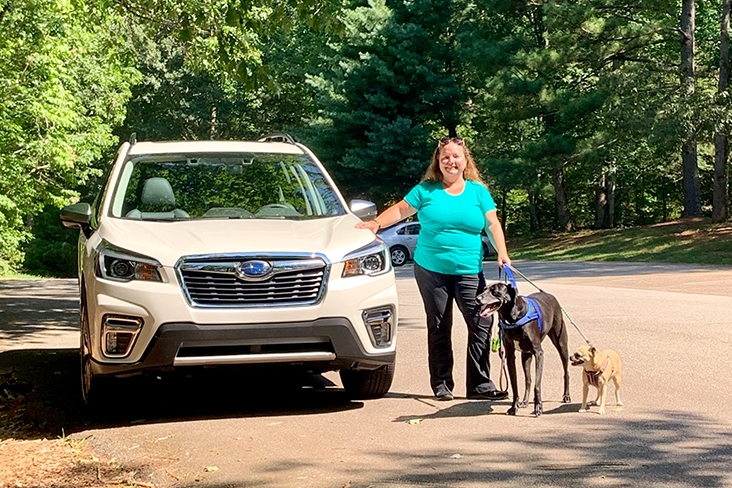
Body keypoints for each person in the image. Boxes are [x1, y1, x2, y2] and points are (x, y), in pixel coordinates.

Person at [356, 136, 511, 401]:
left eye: (456, 156)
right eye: (445, 157)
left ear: (465, 161)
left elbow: (493, 224)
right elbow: (402, 209)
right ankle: (441, 385)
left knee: (481, 323)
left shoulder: (477, 192)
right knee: (439, 326)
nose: (451, 161)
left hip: (469, 270)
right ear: (438, 163)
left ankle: (480, 385)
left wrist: (503, 254)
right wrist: (376, 223)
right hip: (431, 270)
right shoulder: (426, 190)